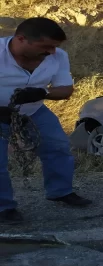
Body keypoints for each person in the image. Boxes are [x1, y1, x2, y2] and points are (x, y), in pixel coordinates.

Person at [0, 17, 92, 224]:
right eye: (46, 46)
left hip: (33, 111)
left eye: (54, 47)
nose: (51, 52)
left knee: (58, 147)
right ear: (21, 39)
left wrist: (42, 93)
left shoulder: (58, 56)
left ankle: (60, 192)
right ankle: (4, 208)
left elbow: (65, 90)